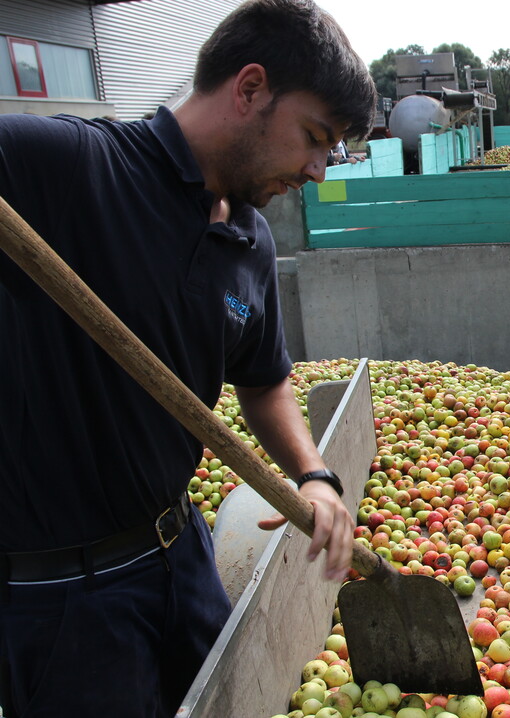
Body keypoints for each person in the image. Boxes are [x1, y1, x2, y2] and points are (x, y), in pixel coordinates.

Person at [0, 1, 377, 715]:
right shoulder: (71, 168)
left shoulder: (251, 240)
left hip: (181, 556)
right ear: (249, 88)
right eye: (314, 138)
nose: (319, 169)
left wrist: (316, 475)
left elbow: (263, 382)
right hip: (63, 602)